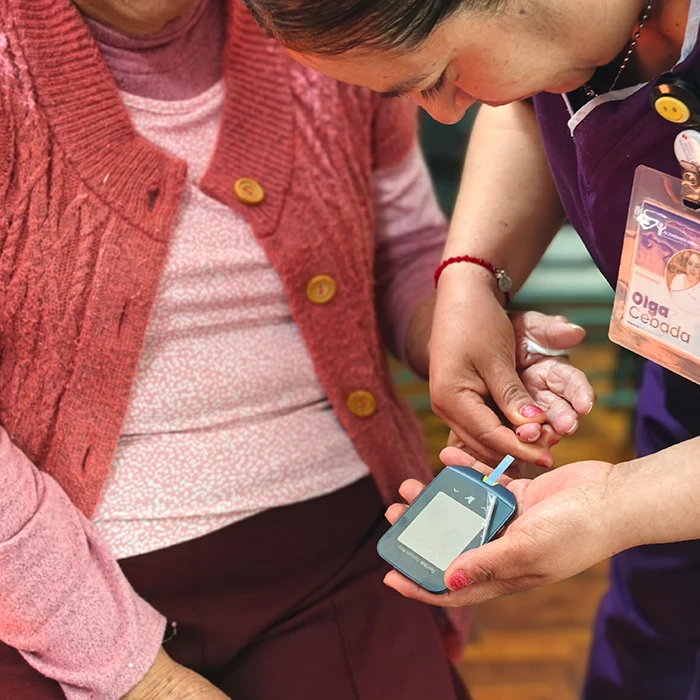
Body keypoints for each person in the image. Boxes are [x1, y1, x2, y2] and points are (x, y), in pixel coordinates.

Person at [0, 0, 593, 698]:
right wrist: (142, 679)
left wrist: (468, 332)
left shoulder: (334, 23)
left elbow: (399, 247)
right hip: (38, 578)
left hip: (335, 546)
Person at [242, 0, 700, 698]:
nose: (448, 113)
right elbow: (530, 104)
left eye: (440, 76)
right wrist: (470, 279)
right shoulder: (558, 40)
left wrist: (618, 507)